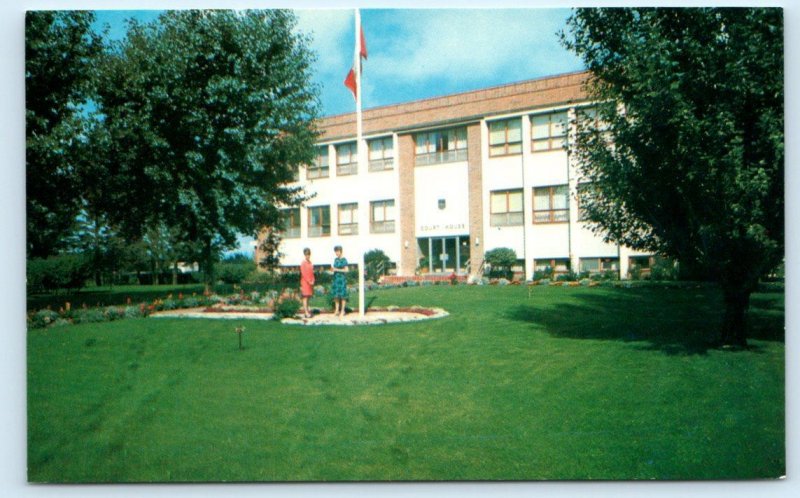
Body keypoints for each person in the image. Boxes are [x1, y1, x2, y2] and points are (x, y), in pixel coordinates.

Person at [330, 245, 349, 318]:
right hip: (336, 279)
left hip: (342, 279)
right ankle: (336, 310)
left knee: (342, 296)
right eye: (335, 251)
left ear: (341, 251)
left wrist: (337, 269)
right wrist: (332, 270)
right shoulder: (335, 259)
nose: (336, 253)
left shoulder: (344, 260)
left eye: (338, 251)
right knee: (336, 296)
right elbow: (334, 269)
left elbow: (347, 270)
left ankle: (342, 310)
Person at [299, 248, 315, 318]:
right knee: (305, 297)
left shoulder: (310, 263)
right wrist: (309, 281)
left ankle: (307, 311)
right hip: (305, 282)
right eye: (306, 255)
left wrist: (313, 280)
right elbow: (304, 273)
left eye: (308, 254)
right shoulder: (303, 263)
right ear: (304, 255)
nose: (307, 256)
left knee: (308, 297)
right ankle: (306, 312)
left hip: (310, 283)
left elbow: (312, 272)